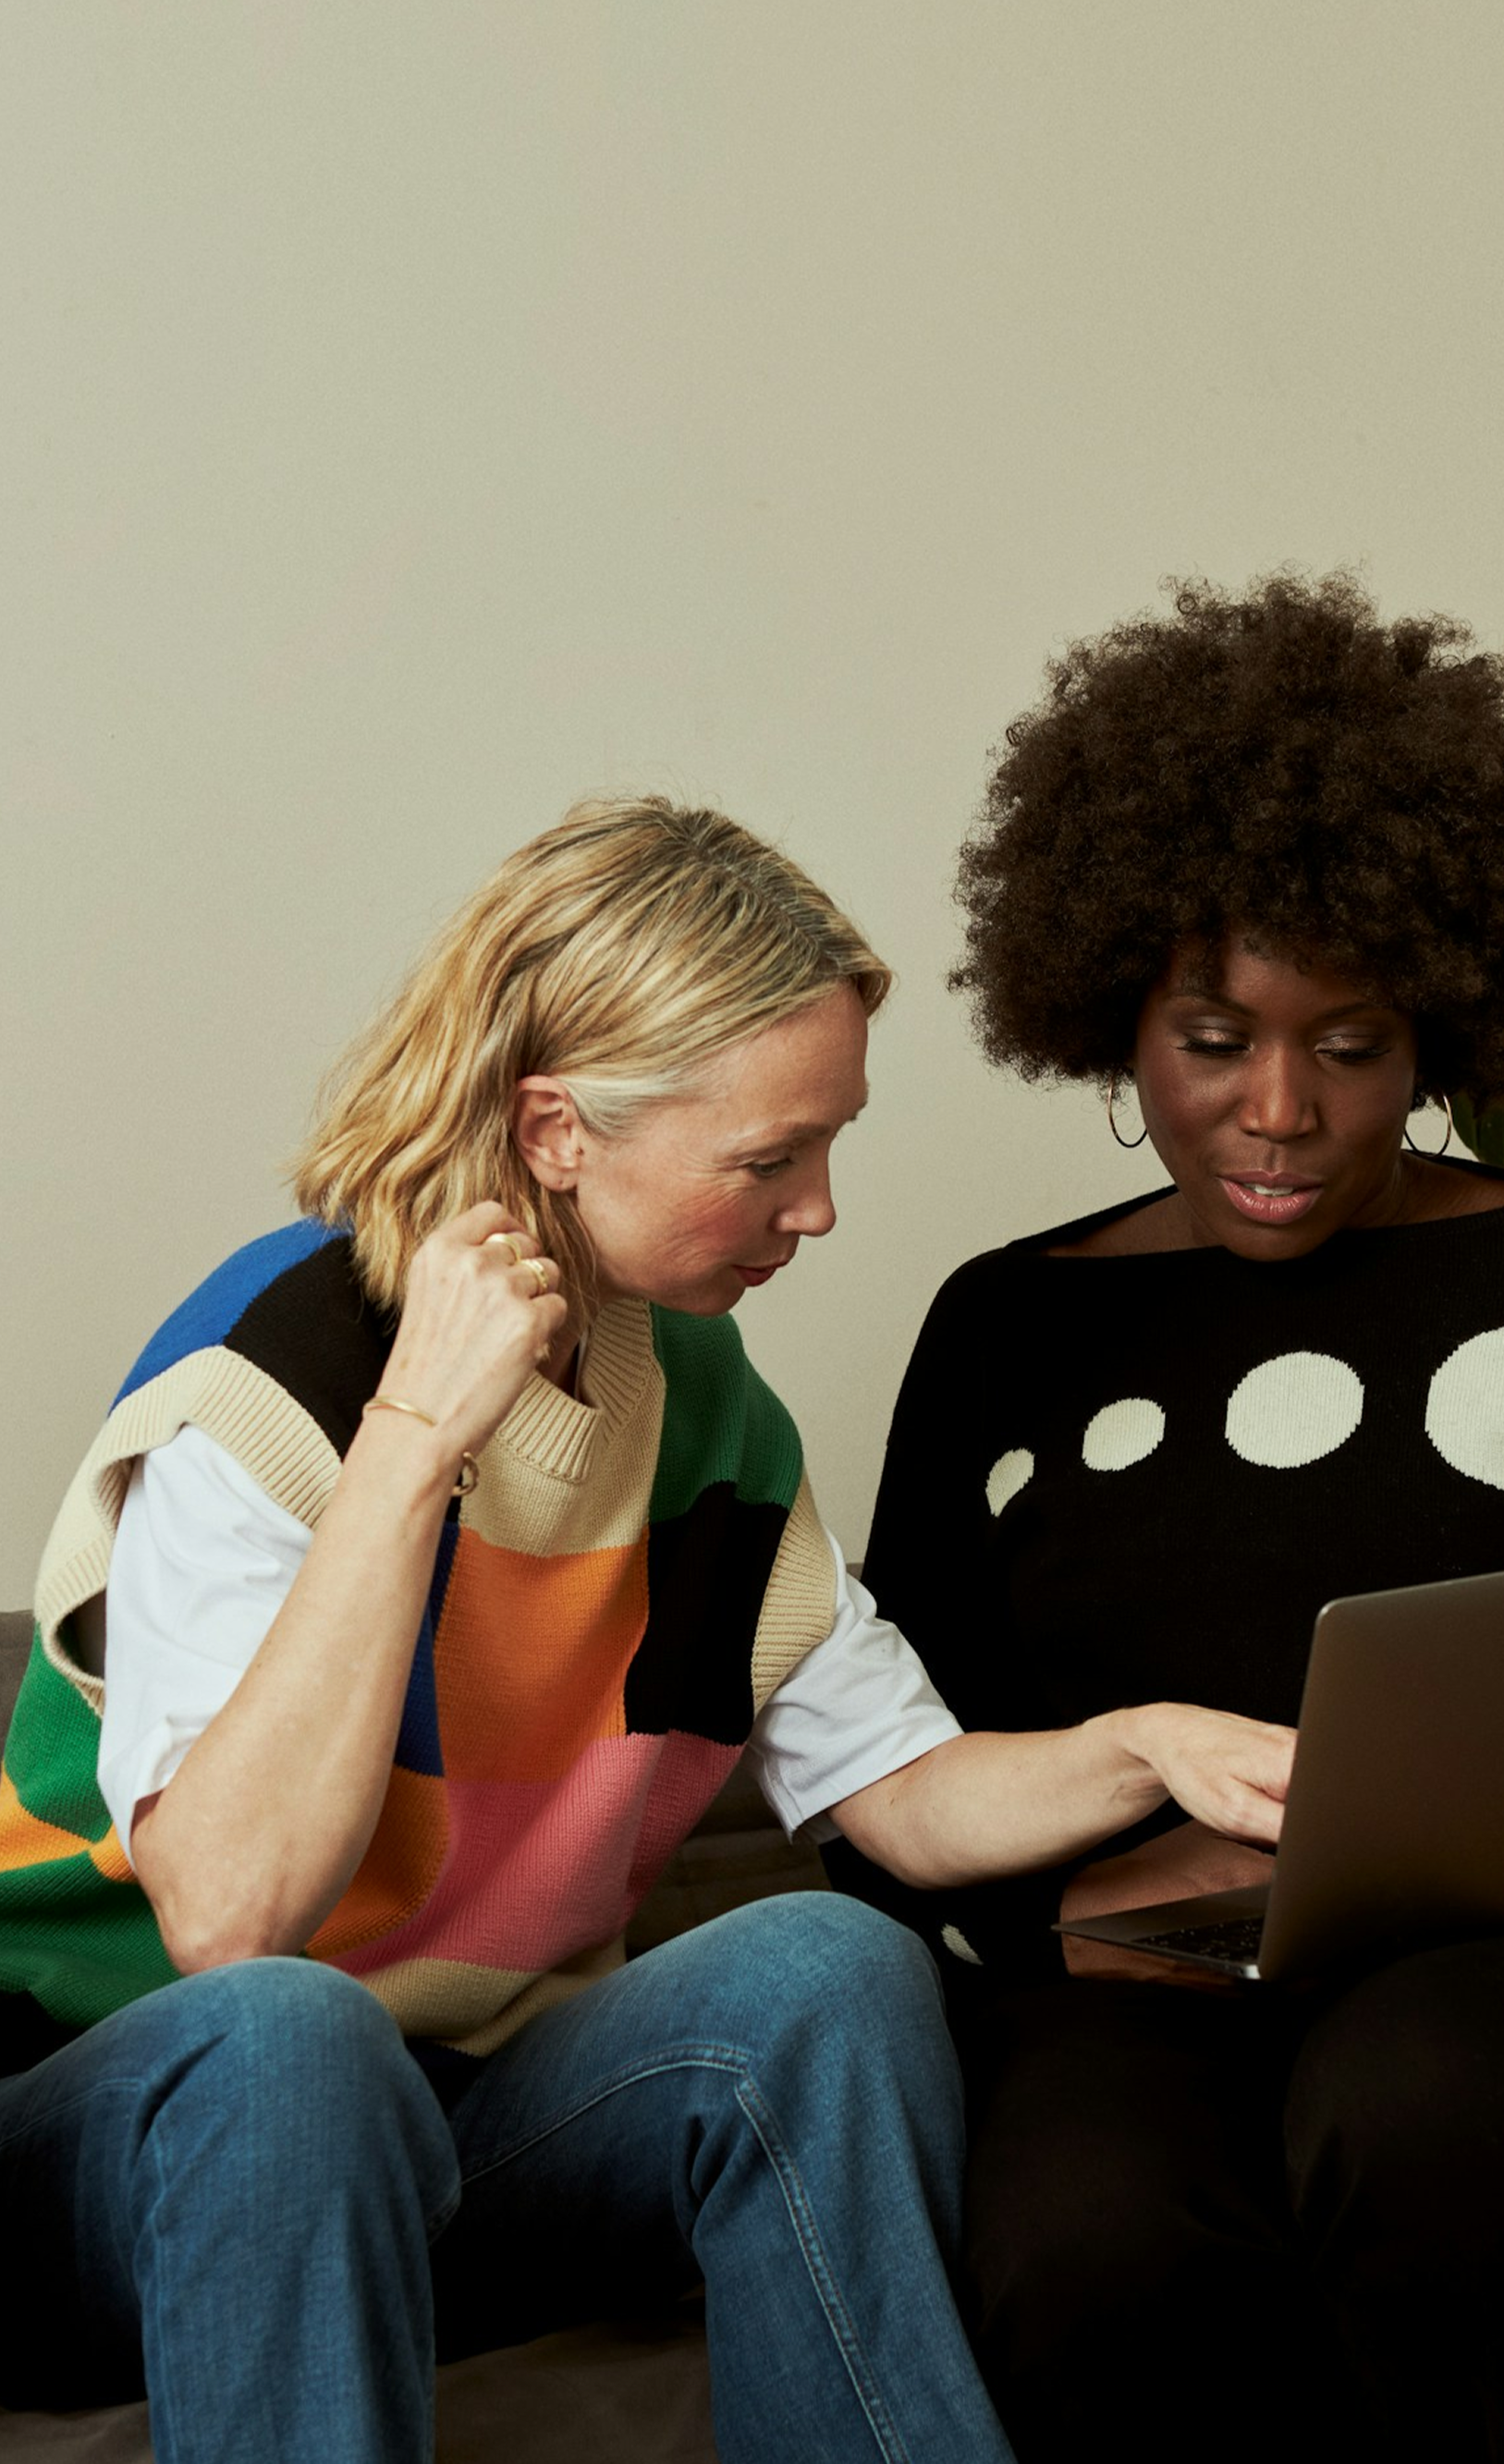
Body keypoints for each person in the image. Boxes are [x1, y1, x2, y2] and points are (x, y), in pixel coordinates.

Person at [0, 797, 1298, 2464]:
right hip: (133, 2145)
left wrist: (1147, 1745)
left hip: (468, 2135)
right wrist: (417, 1445)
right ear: (555, 1130)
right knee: (290, 2036)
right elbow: (229, 1919)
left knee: (827, 1961)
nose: (818, 1209)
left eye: (829, 1142)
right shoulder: (273, 1376)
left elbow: (895, 1791)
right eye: (768, 1159)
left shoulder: (697, 1408)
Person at [825, 574, 1504, 2464]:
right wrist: (1068, 1913)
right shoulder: (1003, 1329)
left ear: (1439, 1020)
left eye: (1348, 1044)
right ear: (1108, 1019)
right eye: (1209, 1037)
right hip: (1128, 2003)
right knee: (1083, 2223)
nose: (1279, 1111)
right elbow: (880, 1784)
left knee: (1433, 2105)